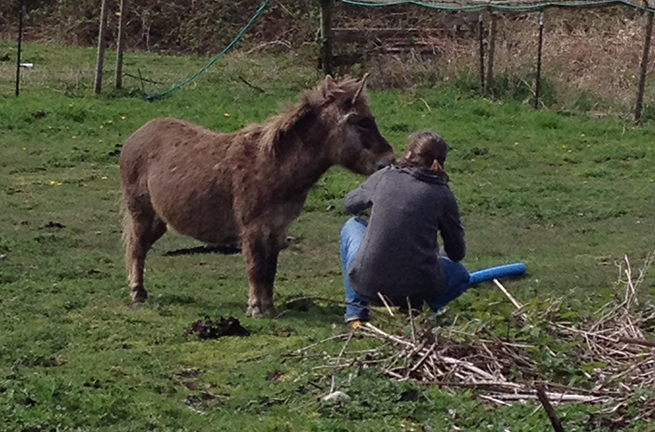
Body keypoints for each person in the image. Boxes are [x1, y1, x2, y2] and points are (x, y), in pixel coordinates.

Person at [339, 130, 470, 329]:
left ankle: (355, 313)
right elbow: (456, 252)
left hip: (367, 285)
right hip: (417, 289)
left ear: (409, 153)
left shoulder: (385, 176)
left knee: (353, 225)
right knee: (460, 275)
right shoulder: (443, 194)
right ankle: (418, 311)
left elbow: (349, 205)